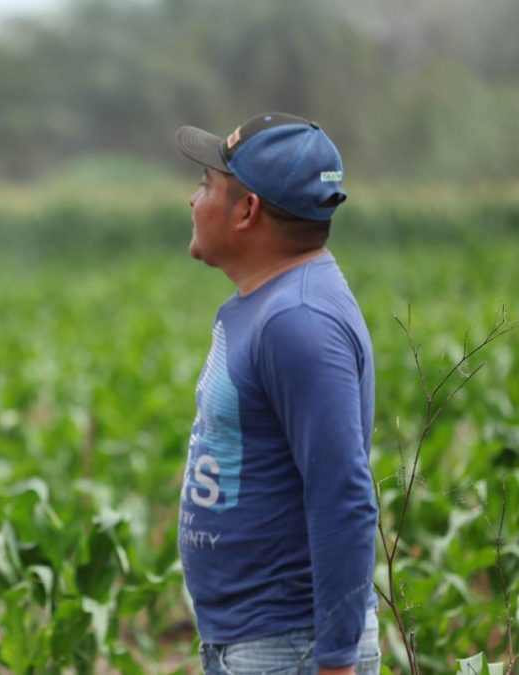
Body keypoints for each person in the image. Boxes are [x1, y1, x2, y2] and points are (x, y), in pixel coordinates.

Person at [173, 113, 380, 674]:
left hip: (292, 647)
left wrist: (336, 659)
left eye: (206, 187)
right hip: (253, 641)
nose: (193, 202)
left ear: (247, 211)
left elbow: (344, 494)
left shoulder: (298, 320)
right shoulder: (268, 303)